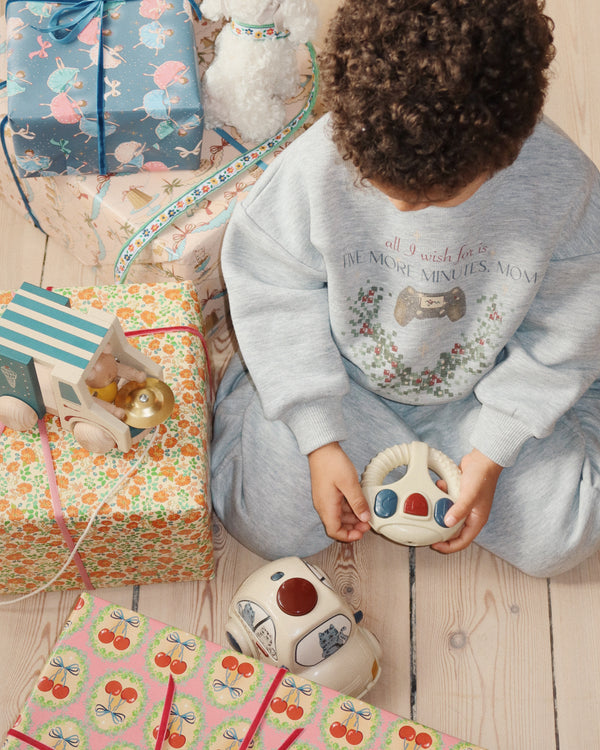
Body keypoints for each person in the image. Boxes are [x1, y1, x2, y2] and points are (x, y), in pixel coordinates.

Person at [210, 0, 600, 577]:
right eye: (381, 186)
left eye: (434, 199)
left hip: (485, 394)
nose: (401, 208)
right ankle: (270, 401)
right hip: (343, 387)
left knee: (562, 538)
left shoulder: (565, 187)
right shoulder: (318, 161)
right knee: (260, 521)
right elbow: (271, 286)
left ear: (504, 155)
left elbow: (572, 325)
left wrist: (495, 450)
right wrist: (318, 437)